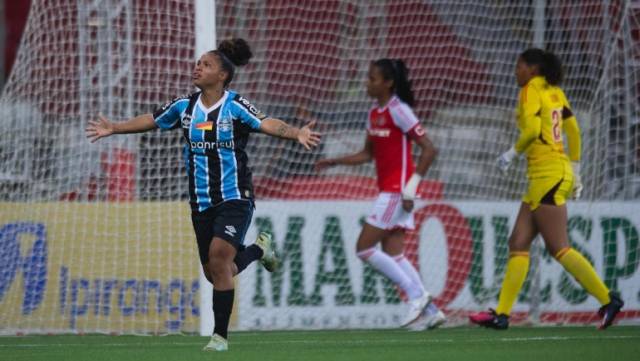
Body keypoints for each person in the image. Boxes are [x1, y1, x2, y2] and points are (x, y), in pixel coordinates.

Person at [86, 38, 321, 350]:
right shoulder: (185, 106)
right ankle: (258, 251)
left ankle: (219, 337)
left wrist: (296, 132)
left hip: (235, 195)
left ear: (222, 75)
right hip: (201, 201)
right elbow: (153, 120)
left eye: (206, 64)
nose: (198, 67)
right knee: (216, 273)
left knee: (220, 258)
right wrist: (115, 127)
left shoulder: (235, 106)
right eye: (198, 63)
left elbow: (266, 123)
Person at [469, 48, 624, 330]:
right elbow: (574, 131)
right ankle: (501, 314)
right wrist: (575, 172)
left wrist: (510, 153)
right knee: (518, 242)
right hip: (552, 173)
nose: (516, 71)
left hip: (546, 174)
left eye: (519, 66)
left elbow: (531, 131)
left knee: (559, 248)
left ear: (532, 69)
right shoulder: (555, 91)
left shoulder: (530, 90)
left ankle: (607, 299)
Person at [315, 58, 445, 330]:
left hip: (398, 193)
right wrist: (335, 161)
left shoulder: (400, 110)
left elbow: (429, 149)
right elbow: (368, 154)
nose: (367, 82)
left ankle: (416, 295)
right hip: (391, 192)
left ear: (388, 83)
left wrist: (411, 188)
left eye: (372, 78)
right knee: (394, 253)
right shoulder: (375, 112)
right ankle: (431, 311)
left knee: (363, 248)